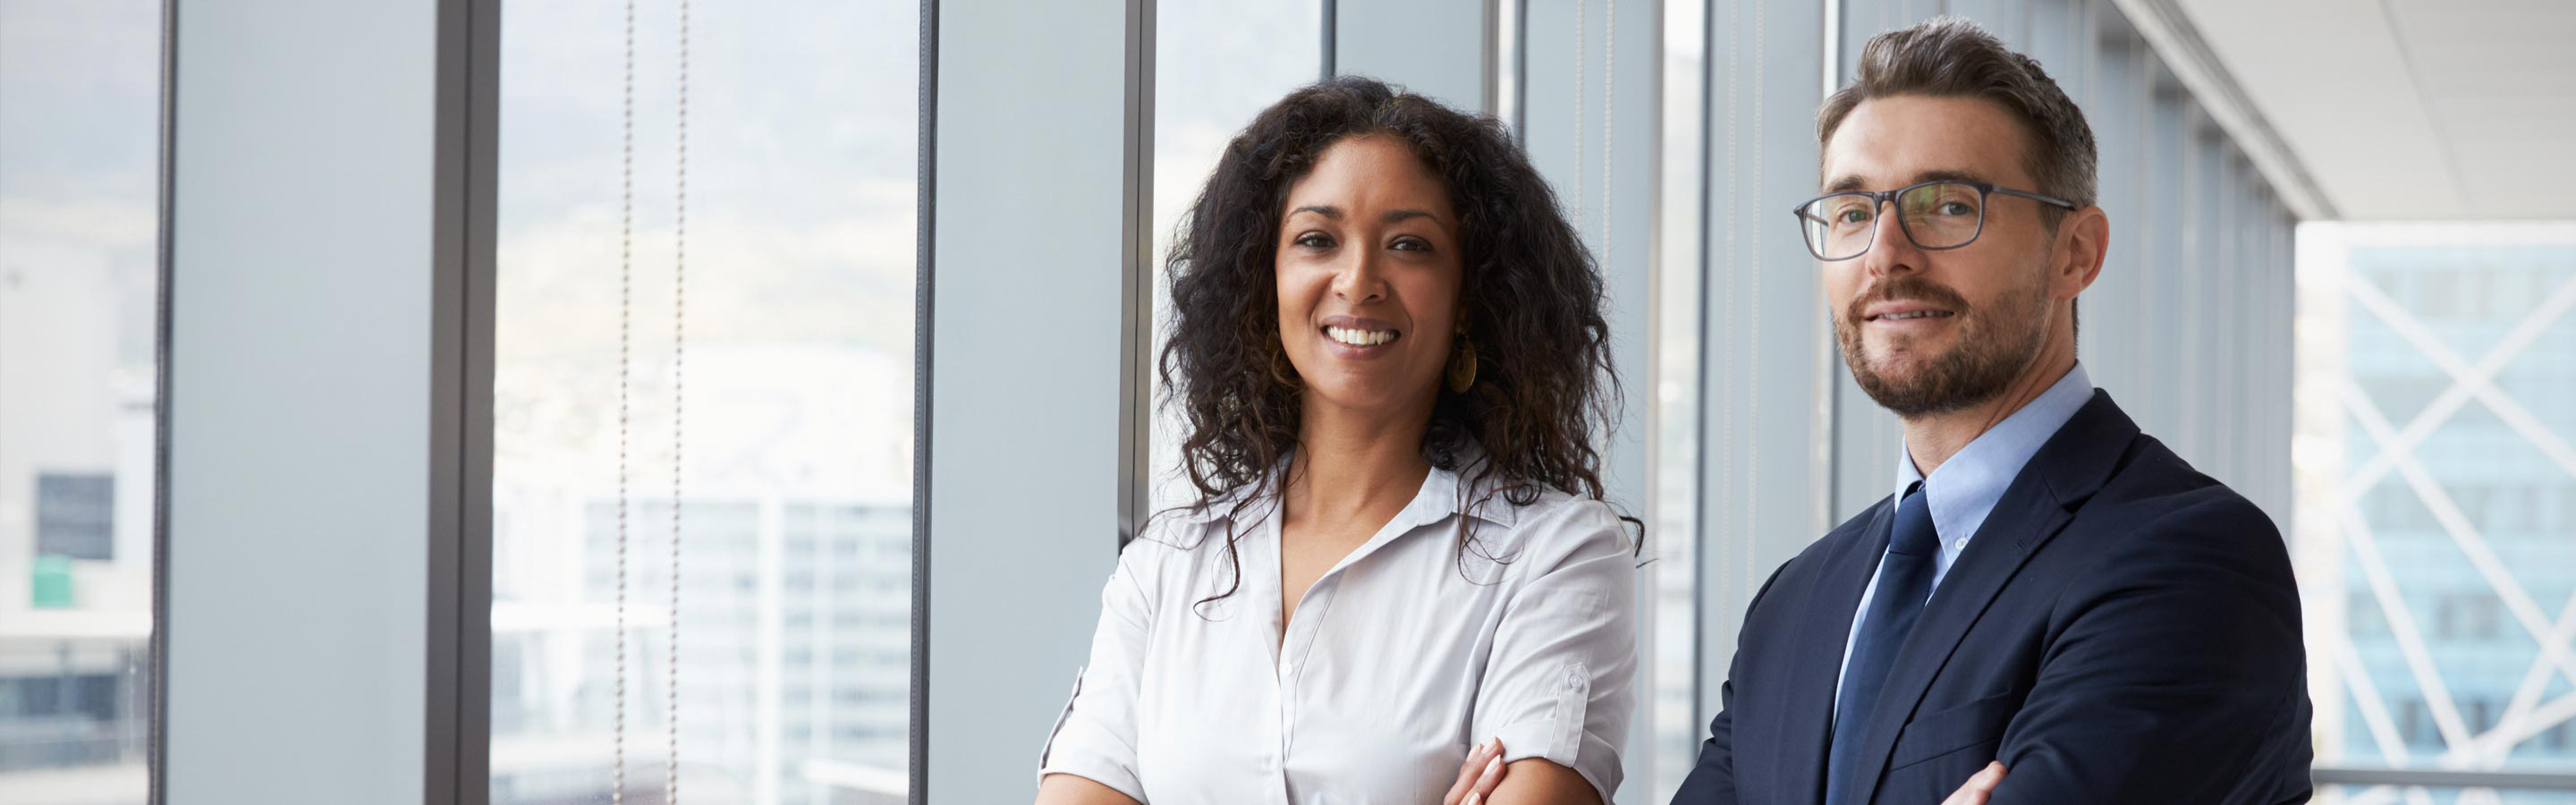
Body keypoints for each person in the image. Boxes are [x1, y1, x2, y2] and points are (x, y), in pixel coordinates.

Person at [1669, 17, 2313, 805]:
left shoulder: (2192, 560)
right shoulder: (1794, 605)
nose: (1885, 253)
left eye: (1946, 205)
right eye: (1851, 212)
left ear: (2074, 253)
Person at [1033, 76, 1640, 805]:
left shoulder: (1555, 557)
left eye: (1410, 245)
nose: (1359, 280)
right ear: (1267, 281)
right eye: (1317, 240)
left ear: (1470, 297)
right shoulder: (1165, 568)